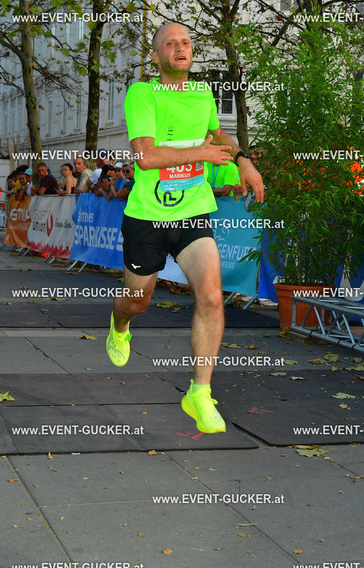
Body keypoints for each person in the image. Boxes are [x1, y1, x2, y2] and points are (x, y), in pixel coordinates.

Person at [106, 22, 263, 434]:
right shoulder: (143, 93)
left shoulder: (202, 93)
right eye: (170, 43)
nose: (180, 48)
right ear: (156, 55)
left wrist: (243, 161)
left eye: (186, 42)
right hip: (147, 217)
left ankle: (200, 392)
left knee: (211, 296)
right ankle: (119, 325)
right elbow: (145, 157)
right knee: (136, 301)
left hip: (193, 212)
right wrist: (203, 154)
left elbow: (218, 134)